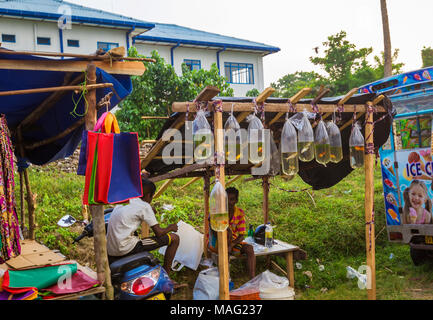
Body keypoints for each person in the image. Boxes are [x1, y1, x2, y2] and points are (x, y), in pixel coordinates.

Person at [106, 178, 180, 275]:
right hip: (126, 248)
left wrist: (149, 211)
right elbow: (159, 232)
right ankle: (166, 274)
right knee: (174, 238)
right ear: (149, 195)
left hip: (110, 249)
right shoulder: (144, 206)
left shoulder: (124, 201)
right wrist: (171, 227)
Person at [208, 187, 256, 279]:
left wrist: (232, 244)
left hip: (232, 243)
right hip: (216, 242)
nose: (229, 202)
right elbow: (213, 230)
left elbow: (242, 235)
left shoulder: (239, 213)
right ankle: (225, 279)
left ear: (236, 200)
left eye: (232, 199)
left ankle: (252, 279)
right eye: (226, 199)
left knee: (249, 248)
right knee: (226, 241)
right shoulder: (218, 211)